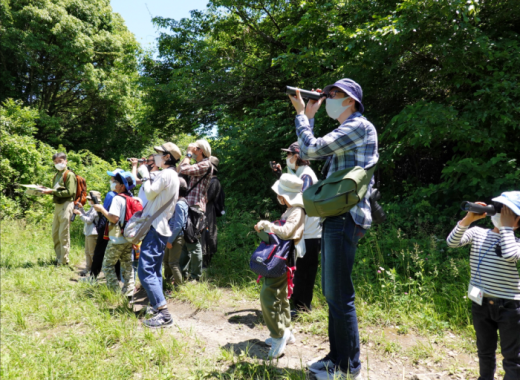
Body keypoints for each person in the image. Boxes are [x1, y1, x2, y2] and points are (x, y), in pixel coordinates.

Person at [289, 79, 378, 380]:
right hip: (338, 216)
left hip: (346, 217)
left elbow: (311, 149)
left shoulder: (359, 126)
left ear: (351, 100)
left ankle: (347, 367)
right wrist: (310, 116)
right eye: (325, 95)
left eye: (333, 95)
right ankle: (336, 357)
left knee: (339, 294)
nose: (327, 99)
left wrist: (304, 116)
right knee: (333, 293)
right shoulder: (349, 128)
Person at [446, 192, 520, 380]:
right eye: (498, 209)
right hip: (480, 303)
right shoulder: (478, 233)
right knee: (484, 350)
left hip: (510, 307)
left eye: (506, 212)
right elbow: (452, 242)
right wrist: (468, 219)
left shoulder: (516, 243)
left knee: (512, 356)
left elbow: (510, 255)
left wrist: (506, 228)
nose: (499, 215)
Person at [254, 174, 305, 359]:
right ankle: (286, 332)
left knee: (268, 295)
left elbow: (286, 232)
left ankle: (278, 337)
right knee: (281, 296)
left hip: (283, 258)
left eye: (280, 194)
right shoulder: (292, 209)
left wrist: (270, 226)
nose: (278, 197)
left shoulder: (297, 211)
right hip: (283, 256)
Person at [271, 142, 322, 316]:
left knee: (305, 271)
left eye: (289, 154)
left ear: (297, 156)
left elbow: (300, 201)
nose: (287, 157)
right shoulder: (300, 173)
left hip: (310, 232)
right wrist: (280, 174)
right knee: (299, 270)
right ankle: (298, 306)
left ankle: (303, 308)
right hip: (304, 231)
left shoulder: (306, 175)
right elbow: (291, 190)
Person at [137, 142, 181, 328]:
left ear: (168, 157)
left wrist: (146, 176)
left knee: (145, 270)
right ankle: (156, 307)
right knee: (154, 270)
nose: (155, 156)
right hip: (161, 227)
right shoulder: (173, 175)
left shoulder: (166, 174)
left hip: (156, 227)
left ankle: (164, 314)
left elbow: (150, 193)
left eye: (159, 154)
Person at [93, 171, 138, 297]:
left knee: (107, 265)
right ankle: (128, 293)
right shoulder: (132, 198)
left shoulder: (117, 198)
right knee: (128, 266)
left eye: (116, 182)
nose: (114, 184)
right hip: (129, 238)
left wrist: (102, 209)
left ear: (122, 186)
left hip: (117, 239)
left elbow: (114, 218)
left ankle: (115, 292)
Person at [178, 139, 212, 281]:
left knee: (192, 241)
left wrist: (188, 154)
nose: (192, 150)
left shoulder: (205, 164)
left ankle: (195, 277)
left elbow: (183, 168)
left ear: (201, 151)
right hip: (189, 205)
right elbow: (181, 168)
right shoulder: (198, 164)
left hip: (195, 207)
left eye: (195, 148)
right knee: (185, 242)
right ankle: (182, 274)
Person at [41, 152, 77, 266]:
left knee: (63, 233)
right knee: (55, 233)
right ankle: (59, 258)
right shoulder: (57, 175)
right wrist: (45, 190)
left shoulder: (69, 174)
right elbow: (57, 190)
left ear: (66, 161)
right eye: (56, 162)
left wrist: (52, 191)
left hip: (66, 204)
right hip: (58, 205)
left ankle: (64, 260)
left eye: (60, 161)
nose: (58, 164)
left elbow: (70, 192)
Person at [163, 178, 189, 292]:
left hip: (176, 238)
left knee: (173, 263)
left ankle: (178, 288)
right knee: (166, 261)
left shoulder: (179, 204)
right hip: (173, 237)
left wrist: (170, 240)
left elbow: (178, 225)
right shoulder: (182, 202)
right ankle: (167, 282)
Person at [74, 191, 101, 276]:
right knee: (87, 252)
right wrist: (81, 209)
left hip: (93, 233)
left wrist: (79, 214)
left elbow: (88, 220)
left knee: (92, 253)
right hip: (88, 232)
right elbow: (87, 215)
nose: (89, 200)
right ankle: (88, 268)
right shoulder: (92, 207)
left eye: (90, 199)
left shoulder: (96, 208)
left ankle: (95, 270)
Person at [202, 156, 222, 268]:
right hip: (206, 209)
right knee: (204, 233)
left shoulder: (214, 181)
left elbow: (208, 198)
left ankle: (206, 262)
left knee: (208, 233)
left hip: (209, 210)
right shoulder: (210, 180)